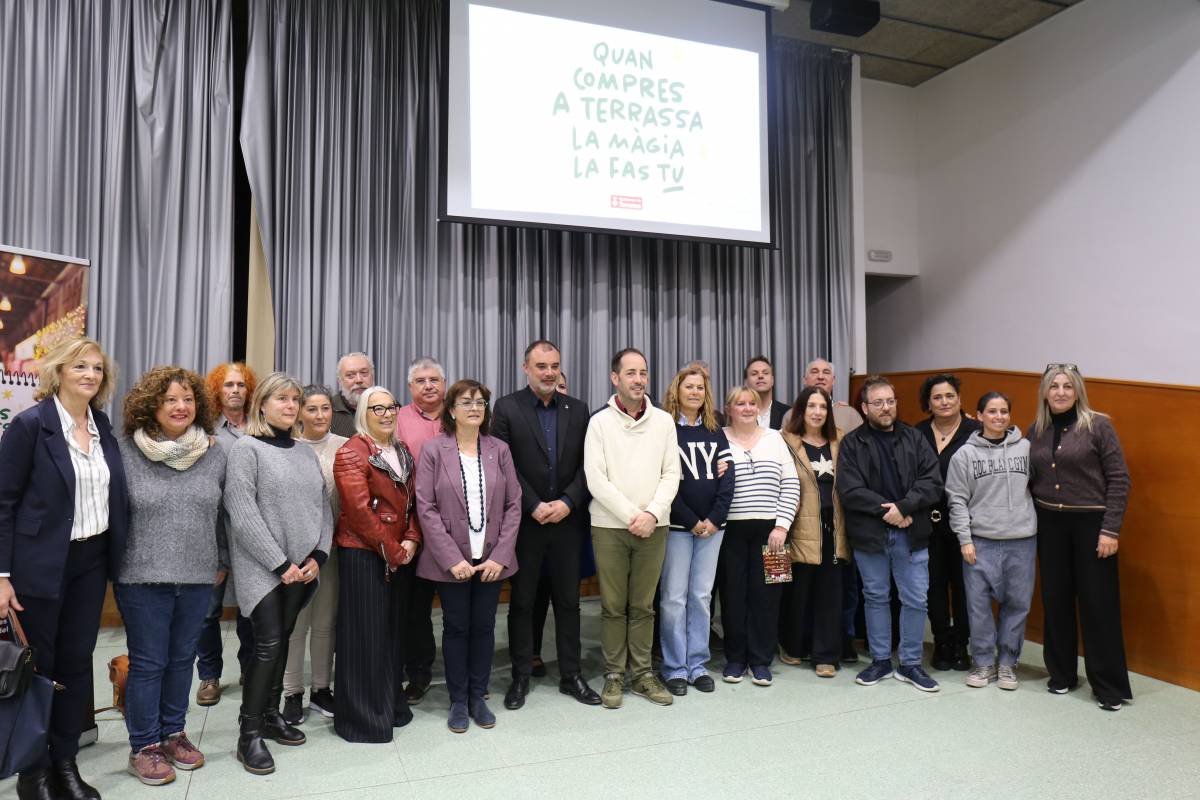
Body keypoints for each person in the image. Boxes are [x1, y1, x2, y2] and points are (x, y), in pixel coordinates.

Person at [0, 338, 128, 800]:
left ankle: (66, 763)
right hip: (38, 564)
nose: (90, 375)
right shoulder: (30, 426)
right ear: (58, 371)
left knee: (76, 664)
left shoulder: (102, 428)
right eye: (80, 366)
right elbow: (4, 504)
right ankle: (33, 773)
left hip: (90, 562)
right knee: (40, 666)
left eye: (97, 368)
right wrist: (1, 576)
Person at [116, 367, 225, 785]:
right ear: (150, 406)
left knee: (182, 660)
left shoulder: (214, 453)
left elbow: (221, 515)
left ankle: (173, 733)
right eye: (170, 400)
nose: (181, 407)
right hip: (141, 576)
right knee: (149, 663)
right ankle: (144, 745)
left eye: (188, 399)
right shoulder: (125, 452)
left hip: (197, 575)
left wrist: (221, 562)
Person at [223, 372, 333, 775]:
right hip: (265, 570)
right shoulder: (247, 449)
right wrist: (279, 563)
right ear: (262, 405)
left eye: (295, 400)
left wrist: (319, 554)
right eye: (281, 399)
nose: (290, 406)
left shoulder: (304, 452)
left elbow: (323, 508)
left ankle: (270, 715)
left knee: (282, 641)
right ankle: (248, 734)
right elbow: (242, 510)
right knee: (268, 646)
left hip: (302, 569)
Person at [492, 341, 599, 710]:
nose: (549, 372)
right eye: (541, 366)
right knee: (522, 602)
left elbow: (591, 465)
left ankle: (572, 674)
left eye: (554, 365)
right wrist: (533, 504)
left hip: (568, 523)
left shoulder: (579, 409)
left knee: (569, 603)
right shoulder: (506, 408)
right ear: (526, 368)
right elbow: (504, 466)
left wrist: (568, 502)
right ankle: (521, 674)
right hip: (525, 524)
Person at [415, 379, 522, 733]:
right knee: (457, 627)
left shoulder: (500, 450)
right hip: (452, 562)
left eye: (480, 402)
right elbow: (425, 507)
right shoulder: (434, 450)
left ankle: (478, 694)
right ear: (451, 410)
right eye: (466, 402)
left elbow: (513, 505)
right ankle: (458, 699)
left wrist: (501, 556)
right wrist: (451, 558)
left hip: (491, 559)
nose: (475, 408)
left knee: (485, 626)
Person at [1027, 364, 1132, 711]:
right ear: (1044, 392)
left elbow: (1119, 479)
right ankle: (1061, 675)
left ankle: (1108, 686)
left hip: (1091, 525)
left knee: (1097, 605)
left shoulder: (1098, 425)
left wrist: (1110, 529)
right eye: (1053, 386)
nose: (1060, 392)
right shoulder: (1036, 430)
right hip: (1050, 524)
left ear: (1077, 391)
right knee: (1056, 601)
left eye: (1067, 386)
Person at [584, 348, 680, 709]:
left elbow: (672, 473)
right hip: (610, 526)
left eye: (643, 373)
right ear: (615, 378)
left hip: (655, 526)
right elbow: (596, 478)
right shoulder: (599, 423)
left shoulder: (664, 422)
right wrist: (632, 516)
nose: (638, 380)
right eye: (630, 373)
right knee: (612, 605)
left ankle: (641, 674)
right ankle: (613, 674)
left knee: (642, 606)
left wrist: (652, 514)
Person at [836, 375, 943, 692]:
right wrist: (890, 512)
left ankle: (910, 664)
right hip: (870, 535)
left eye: (890, 401)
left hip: (913, 534)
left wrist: (905, 507)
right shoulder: (852, 443)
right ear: (865, 407)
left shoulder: (915, 438)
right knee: (876, 597)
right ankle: (881, 660)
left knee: (914, 599)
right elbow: (850, 490)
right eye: (878, 402)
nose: (886, 408)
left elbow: (932, 481)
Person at [332, 385, 422, 741]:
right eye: (377, 409)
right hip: (364, 555)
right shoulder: (351, 452)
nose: (386, 414)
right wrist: (394, 551)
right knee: (365, 638)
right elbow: (358, 514)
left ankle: (390, 703)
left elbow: (412, 502)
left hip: (398, 553)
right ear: (363, 415)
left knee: (390, 636)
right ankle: (363, 719)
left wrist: (412, 538)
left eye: (391, 407)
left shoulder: (402, 449)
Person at [945, 392, 1037, 691]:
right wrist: (964, 539)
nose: (999, 417)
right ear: (979, 415)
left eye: (1004, 411)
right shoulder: (965, 455)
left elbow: (1036, 489)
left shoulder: (1025, 448)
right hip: (980, 541)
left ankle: (1008, 663)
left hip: (1021, 540)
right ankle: (983, 662)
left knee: (1018, 604)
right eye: (992, 411)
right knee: (979, 606)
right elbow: (956, 499)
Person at [658, 367, 735, 695]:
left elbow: (727, 478)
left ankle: (697, 664)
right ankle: (674, 666)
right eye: (688, 387)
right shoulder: (664, 429)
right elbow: (663, 482)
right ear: (677, 391)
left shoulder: (715, 429)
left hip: (713, 529)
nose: (694, 393)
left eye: (700, 388)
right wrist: (691, 520)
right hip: (678, 526)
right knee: (674, 598)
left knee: (701, 597)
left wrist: (715, 519)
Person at [719, 385, 800, 687]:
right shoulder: (719, 439)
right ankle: (736, 659)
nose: (747, 408)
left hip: (775, 533)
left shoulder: (775, 438)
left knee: (769, 598)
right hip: (731, 533)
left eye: (752, 403)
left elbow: (792, 484)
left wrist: (782, 525)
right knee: (733, 597)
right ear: (729, 409)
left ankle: (761, 661)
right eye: (740, 403)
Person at [281, 385, 348, 725]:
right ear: (300, 412)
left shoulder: (345, 447)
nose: (320, 415)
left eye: (325, 408)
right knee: (295, 625)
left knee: (325, 623)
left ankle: (322, 688)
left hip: (333, 550)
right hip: (295, 553)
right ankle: (292, 692)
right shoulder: (287, 447)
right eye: (312, 409)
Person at [195, 362, 258, 707]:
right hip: (212, 529)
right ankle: (209, 675)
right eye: (228, 385)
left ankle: (250, 668)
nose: (235, 390)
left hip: (251, 531)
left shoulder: (261, 427)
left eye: (241, 385)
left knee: (251, 605)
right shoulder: (203, 429)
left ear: (250, 390)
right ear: (217, 390)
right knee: (208, 611)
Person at [778, 386, 848, 678]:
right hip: (796, 529)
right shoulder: (784, 441)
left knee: (830, 594)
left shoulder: (841, 440)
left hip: (834, 529)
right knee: (796, 593)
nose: (817, 412)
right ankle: (793, 646)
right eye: (811, 406)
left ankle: (825, 655)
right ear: (801, 410)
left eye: (822, 407)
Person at [914, 374, 981, 672]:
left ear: (959, 399)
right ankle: (941, 642)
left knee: (965, 586)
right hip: (928, 523)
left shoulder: (976, 432)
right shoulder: (915, 433)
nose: (944, 402)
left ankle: (961, 644)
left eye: (949, 396)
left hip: (966, 523)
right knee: (934, 586)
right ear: (929, 403)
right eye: (937, 397)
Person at [394, 356, 447, 706]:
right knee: (414, 607)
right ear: (410, 387)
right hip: (412, 527)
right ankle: (418, 672)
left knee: (457, 605)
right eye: (421, 381)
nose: (428, 386)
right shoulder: (396, 420)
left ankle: (466, 671)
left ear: (444, 384)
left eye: (434, 380)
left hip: (456, 527)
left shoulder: (460, 415)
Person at [329, 353, 375, 439]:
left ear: (372, 377)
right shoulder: (327, 409)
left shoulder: (388, 408)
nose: (359, 380)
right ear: (340, 381)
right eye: (350, 375)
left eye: (364, 373)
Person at [744, 355, 791, 430]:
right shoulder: (739, 413)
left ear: (772, 380)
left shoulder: (788, 412)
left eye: (765, 373)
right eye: (754, 374)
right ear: (746, 382)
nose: (760, 376)